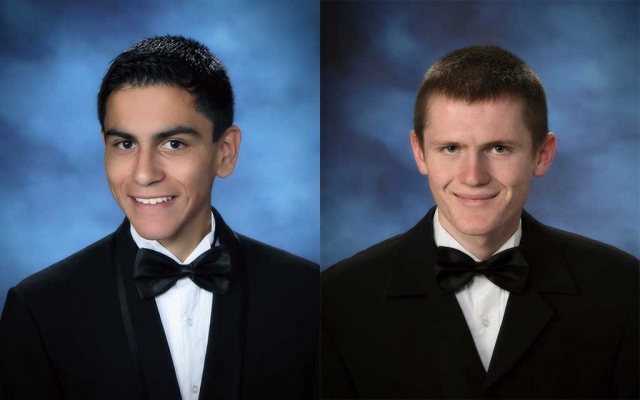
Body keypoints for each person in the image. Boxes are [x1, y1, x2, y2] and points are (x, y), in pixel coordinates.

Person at [0, 35, 318, 400]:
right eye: (125, 144)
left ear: (225, 152)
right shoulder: (40, 310)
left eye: (174, 144)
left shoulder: (307, 296)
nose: (143, 173)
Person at [321, 45, 638, 399]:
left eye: (499, 148)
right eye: (451, 148)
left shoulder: (623, 290)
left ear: (542, 154)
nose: (473, 176)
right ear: (419, 152)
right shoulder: (337, 300)